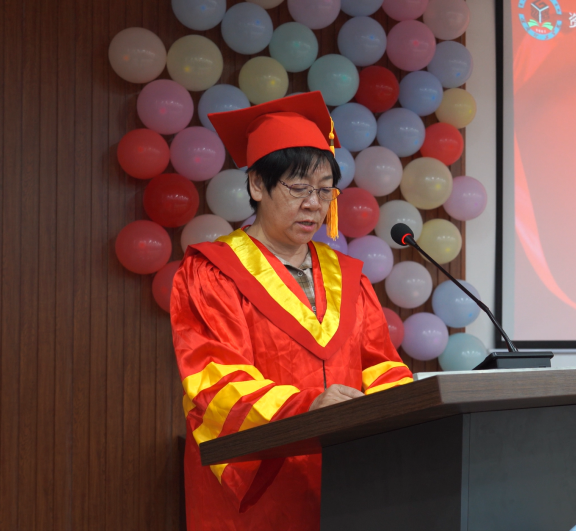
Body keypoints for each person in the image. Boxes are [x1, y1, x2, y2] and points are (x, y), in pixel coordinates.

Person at [170, 91, 413, 531]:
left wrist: (403, 407)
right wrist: (307, 408)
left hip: (348, 475)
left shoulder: (347, 276)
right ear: (256, 185)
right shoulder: (214, 272)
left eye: (325, 190)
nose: (314, 204)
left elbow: (381, 365)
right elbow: (217, 381)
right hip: (258, 485)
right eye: (299, 188)